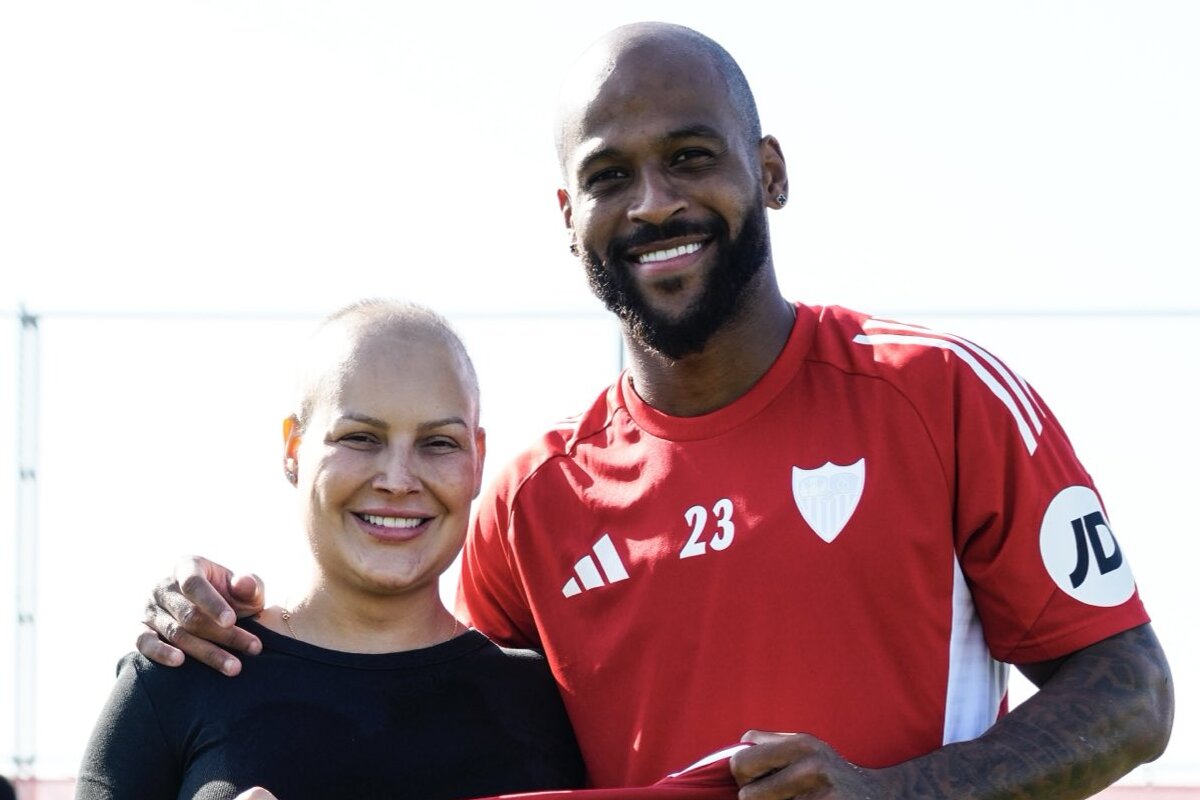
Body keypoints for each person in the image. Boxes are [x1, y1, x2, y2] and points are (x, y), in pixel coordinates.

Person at [137, 22, 1174, 799]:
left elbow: (1132, 691)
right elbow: (399, 682)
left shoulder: (941, 394)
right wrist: (217, 612)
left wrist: (895, 793)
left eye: (689, 156)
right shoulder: (530, 501)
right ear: (567, 218)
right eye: (608, 175)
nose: (653, 203)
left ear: (769, 171)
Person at [77, 300, 583, 799]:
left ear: (478, 460)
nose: (398, 480)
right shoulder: (177, 678)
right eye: (360, 437)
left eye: (438, 443)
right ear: (293, 449)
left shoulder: (551, 703)